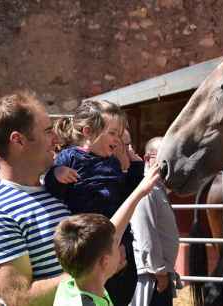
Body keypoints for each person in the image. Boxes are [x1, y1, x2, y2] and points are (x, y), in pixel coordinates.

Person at [0, 91, 70, 306]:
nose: (56, 139)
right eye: (47, 132)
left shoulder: (55, 188)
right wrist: (92, 272)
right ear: (18, 140)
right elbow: (21, 299)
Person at [45, 100, 144, 306]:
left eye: (119, 134)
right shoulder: (69, 157)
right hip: (89, 247)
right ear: (89, 132)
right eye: (113, 133)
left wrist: (136, 168)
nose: (118, 140)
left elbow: (126, 196)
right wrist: (56, 173)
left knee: (121, 293)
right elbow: (53, 188)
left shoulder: (113, 162)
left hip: (118, 244)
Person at [53, 164, 160, 306]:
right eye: (116, 245)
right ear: (105, 261)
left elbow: (113, 232)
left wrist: (140, 191)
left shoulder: (70, 285)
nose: (119, 244)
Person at [129, 137, 180, 306]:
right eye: (161, 160)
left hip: (158, 273)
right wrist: (159, 272)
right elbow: (146, 233)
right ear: (147, 159)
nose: (167, 165)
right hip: (153, 277)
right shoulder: (147, 189)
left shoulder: (157, 187)